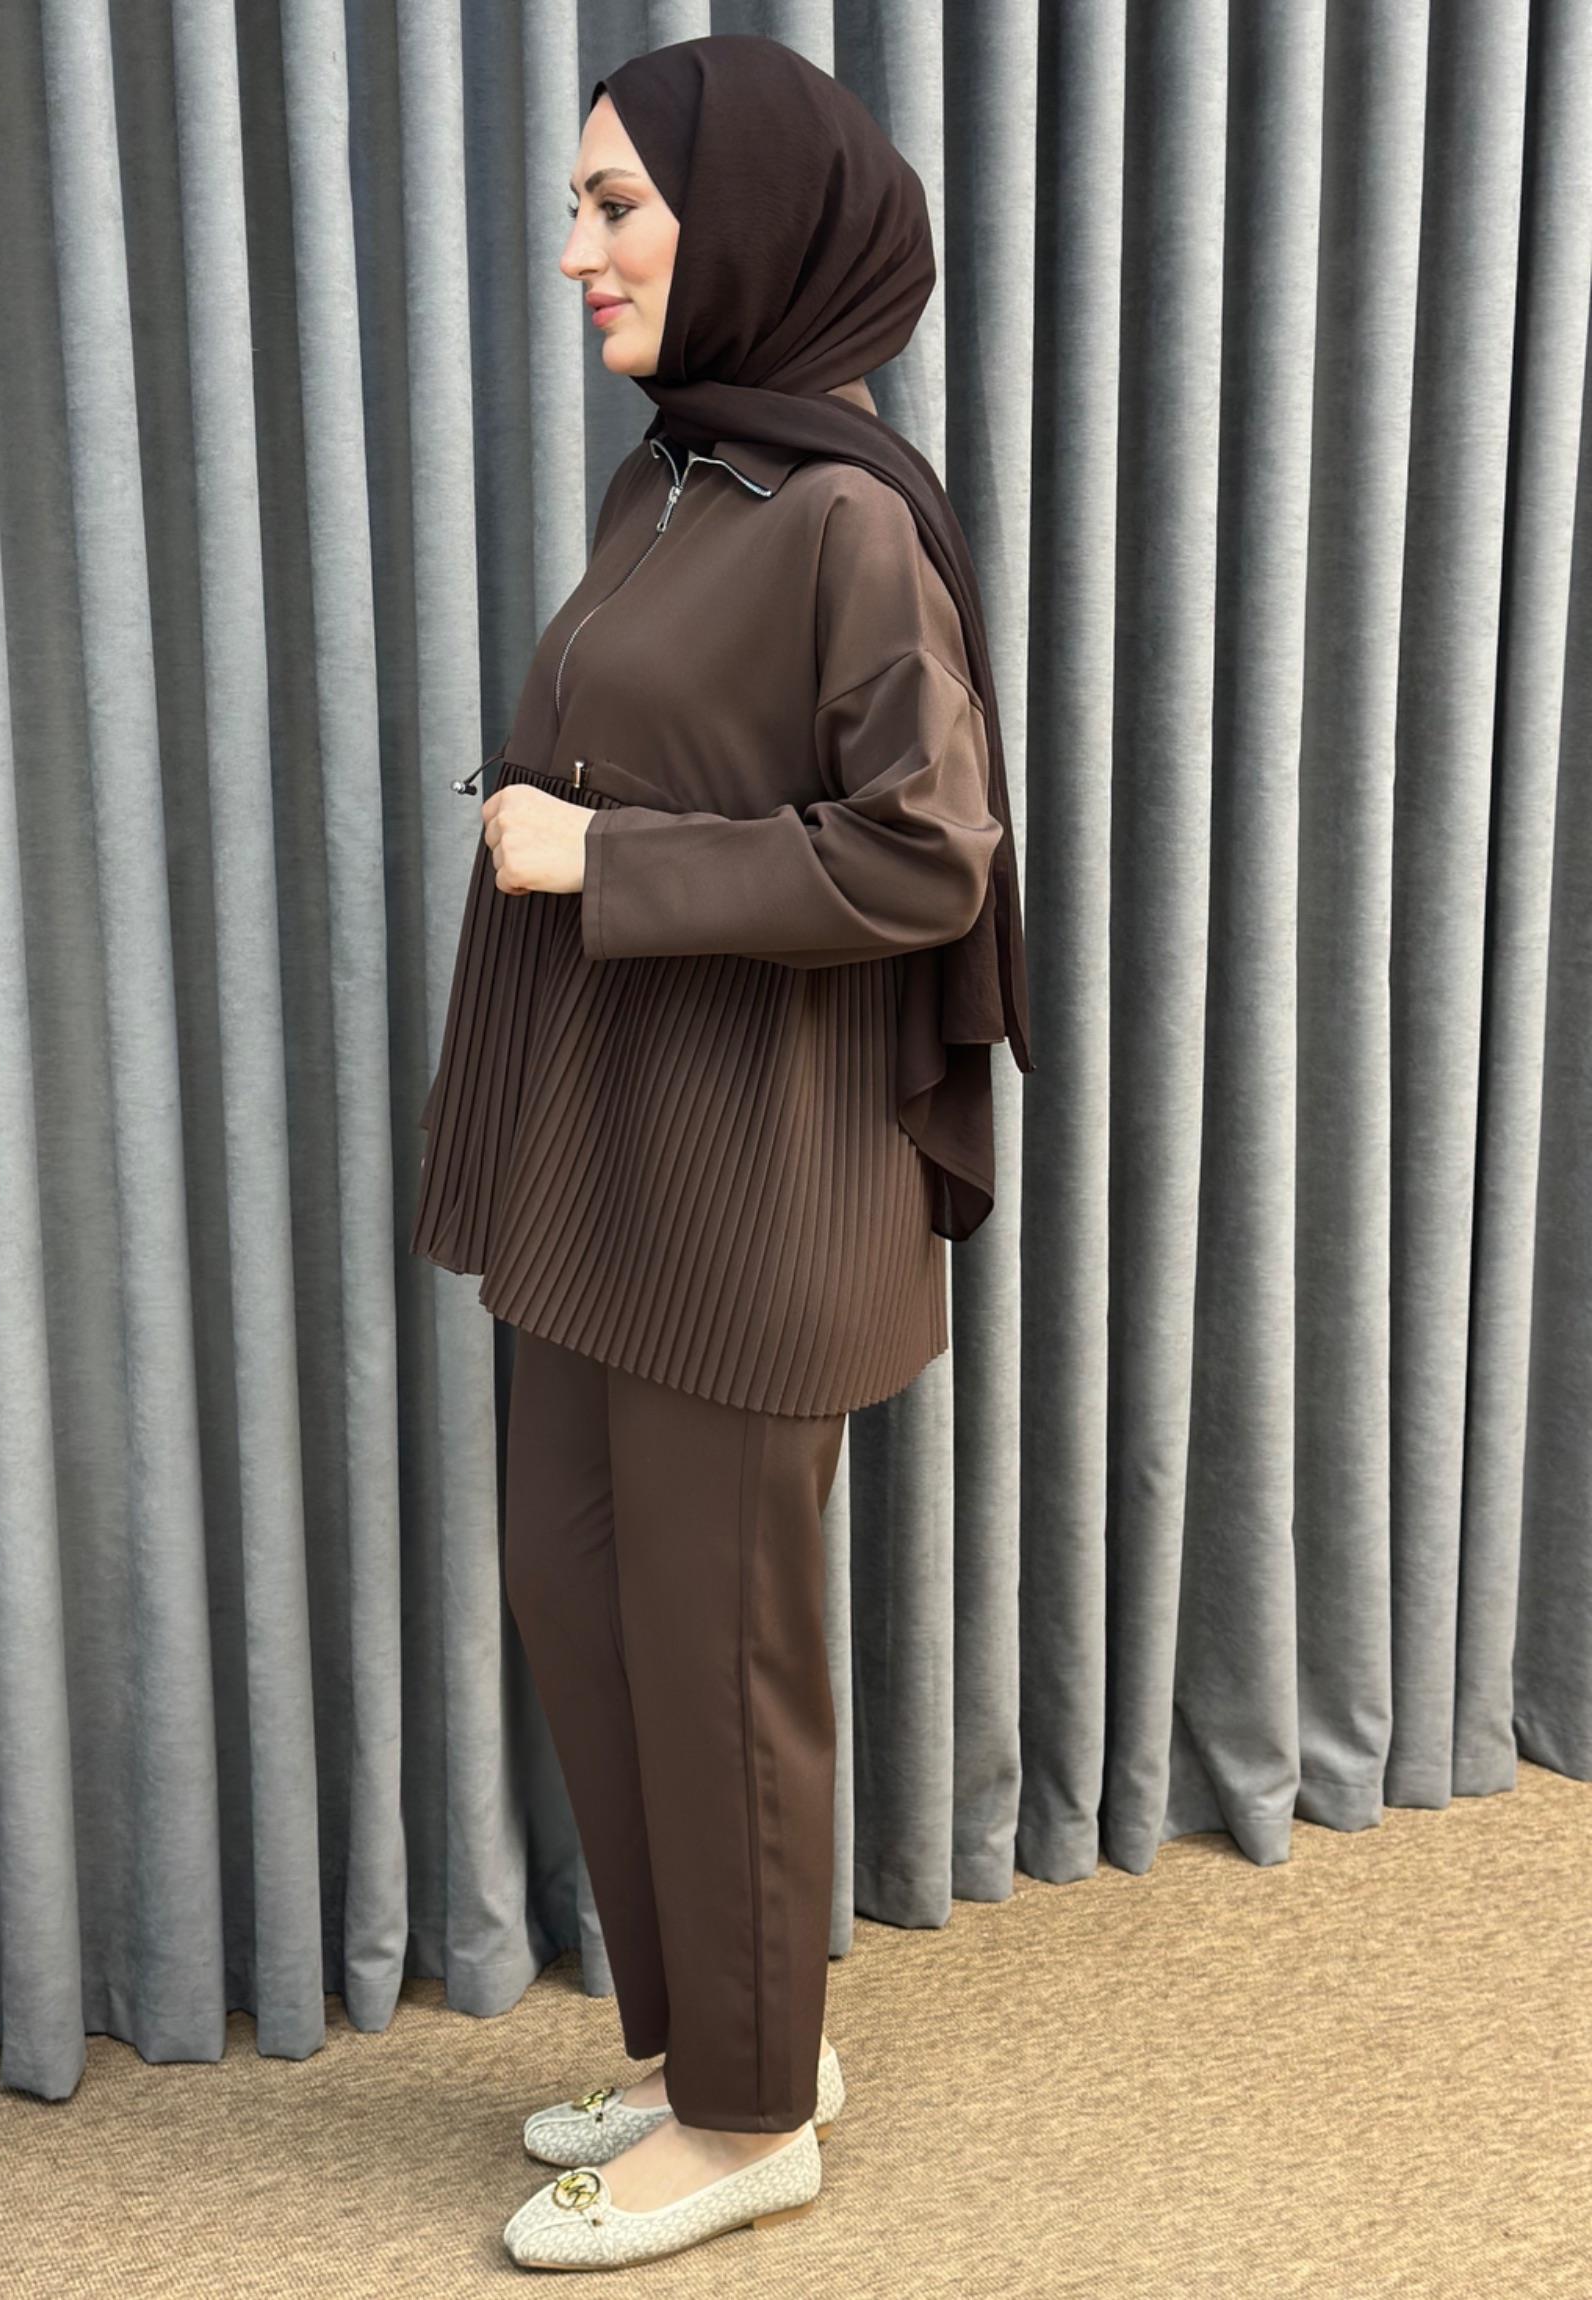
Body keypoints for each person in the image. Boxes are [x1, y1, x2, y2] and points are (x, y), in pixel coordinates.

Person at [409, 32, 1033, 2273]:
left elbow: (930, 854)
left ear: (746, 221)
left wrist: (600, 855)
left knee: (717, 1640)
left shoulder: (849, 520)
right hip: (611, 1159)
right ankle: (719, 2047)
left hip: (758, 1184)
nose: (577, 252)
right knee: (585, 1597)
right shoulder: (677, 476)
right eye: (577, 208)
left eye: (616, 209)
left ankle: (753, 2116)